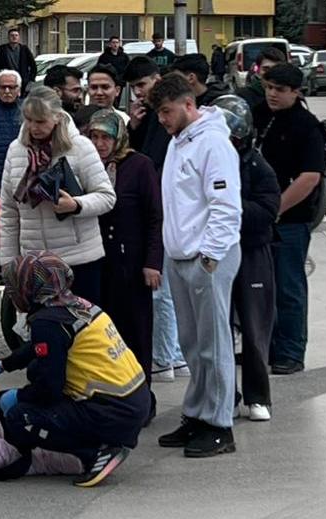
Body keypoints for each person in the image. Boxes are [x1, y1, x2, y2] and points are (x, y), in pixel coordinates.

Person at [0, 252, 150, 488]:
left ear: (30, 286)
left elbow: (50, 388)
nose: (12, 293)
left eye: (15, 285)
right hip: (134, 401)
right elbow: (40, 348)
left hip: (111, 411)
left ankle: (94, 452)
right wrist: (2, 365)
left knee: (20, 419)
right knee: (36, 371)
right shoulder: (75, 305)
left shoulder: (47, 322)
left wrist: (19, 397)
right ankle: (101, 440)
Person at [150, 74, 242, 457]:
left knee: (214, 343)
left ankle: (220, 424)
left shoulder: (213, 144)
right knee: (191, 344)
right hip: (181, 256)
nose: (162, 120)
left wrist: (210, 256)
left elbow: (225, 207)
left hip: (206, 259)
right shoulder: (178, 143)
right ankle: (197, 413)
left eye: (167, 111)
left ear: (188, 105)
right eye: (158, 113)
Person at [0, 86, 116, 305]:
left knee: (83, 332)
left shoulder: (80, 147)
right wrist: (9, 264)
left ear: (57, 117)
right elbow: (8, 212)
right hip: (35, 263)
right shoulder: (16, 150)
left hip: (79, 259)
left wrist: (76, 205)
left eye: (41, 121)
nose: (34, 127)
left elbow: (106, 197)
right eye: (29, 120)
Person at [86, 109, 163, 423]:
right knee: (104, 336)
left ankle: (143, 400)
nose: (100, 143)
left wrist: (153, 262)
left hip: (132, 264)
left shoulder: (139, 166)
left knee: (136, 333)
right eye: (95, 136)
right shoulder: (88, 166)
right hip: (98, 262)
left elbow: (155, 217)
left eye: (106, 137)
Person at [212, 95, 279, 421]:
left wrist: (231, 209)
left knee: (254, 329)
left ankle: (257, 396)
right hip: (215, 252)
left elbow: (268, 209)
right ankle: (226, 395)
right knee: (216, 329)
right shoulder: (208, 161)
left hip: (251, 251)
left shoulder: (257, 166)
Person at [257, 64, 326, 375]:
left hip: (290, 221)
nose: (272, 94)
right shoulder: (259, 113)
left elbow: (309, 178)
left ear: (296, 92)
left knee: (288, 288)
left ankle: (290, 352)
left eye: (279, 90)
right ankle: (264, 347)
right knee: (261, 288)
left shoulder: (307, 127)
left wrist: (275, 210)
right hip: (257, 219)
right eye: (268, 86)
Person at [125, 57, 188, 382]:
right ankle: (172, 355)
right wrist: (134, 128)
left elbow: (154, 165)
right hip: (158, 206)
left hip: (164, 209)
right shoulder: (148, 118)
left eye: (143, 85)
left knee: (162, 291)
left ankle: (167, 357)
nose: (139, 93)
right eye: (134, 88)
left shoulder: (171, 121)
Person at [236, 47, 286, 112]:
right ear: (258, 70)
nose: (270, 74)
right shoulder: (244, 96)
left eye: (275, 69)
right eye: (266, 69)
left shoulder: (288, 95)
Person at [0, 28, 37, 96]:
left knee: (22, 101)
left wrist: (31, 79)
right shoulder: (3, 50)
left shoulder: (24, 49)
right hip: (8, 81)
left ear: (19, 37)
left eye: (16, 35)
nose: (14, 37)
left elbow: (33, 65)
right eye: (12, 35)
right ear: (8, 37)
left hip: (23, 81)